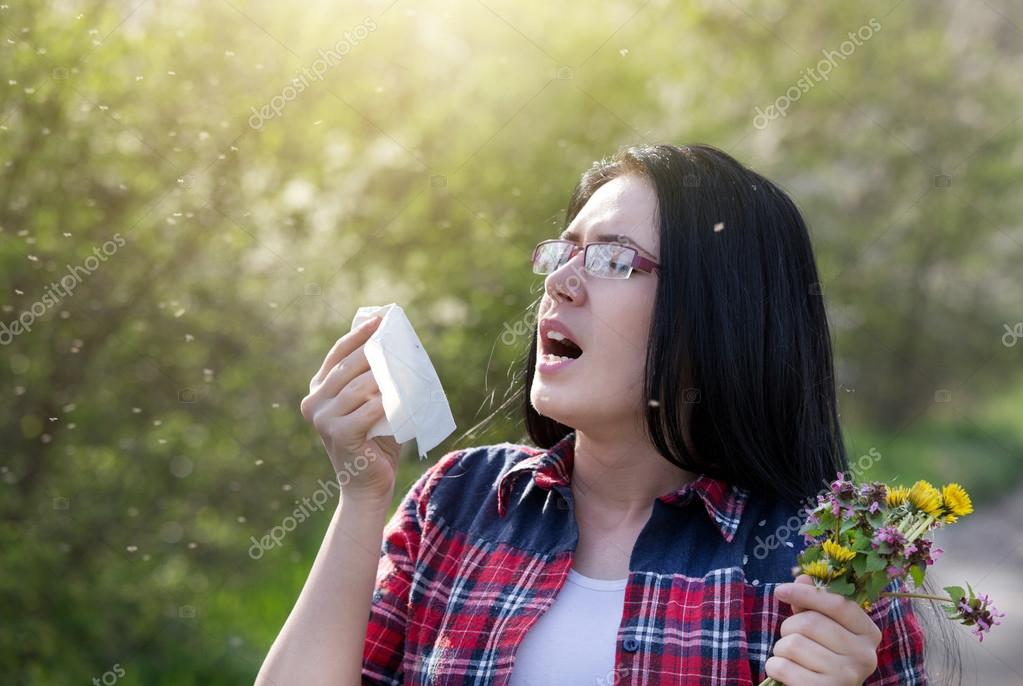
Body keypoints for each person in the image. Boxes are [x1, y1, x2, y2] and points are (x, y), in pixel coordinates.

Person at [255, 143, 927, 686]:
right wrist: (361, 492)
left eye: (612, 258)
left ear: (721, 312)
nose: (558, 282)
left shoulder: (825, 563)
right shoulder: (457, 504)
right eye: (561, 251)